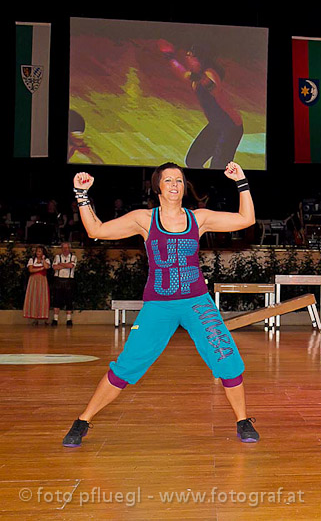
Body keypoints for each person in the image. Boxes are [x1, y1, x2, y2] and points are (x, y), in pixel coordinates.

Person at [61, 162, 259, 447]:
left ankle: (242, 420)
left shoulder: (199, 218)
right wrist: (82, 195)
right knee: (127, 366)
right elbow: (97, 229)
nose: (175, 185)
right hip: (159, 305)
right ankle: (83, 420)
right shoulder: (144, 219)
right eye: (168, 180)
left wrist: (242, 182)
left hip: (196, 302)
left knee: (227, 359)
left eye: (179, 180)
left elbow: (246, 219)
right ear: (158, 187)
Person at [158, 41, 243, 170]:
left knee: (218, 168)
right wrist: (170, 57)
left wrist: (202, 80)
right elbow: (184, 74)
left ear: (200, 59)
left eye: (190, 56)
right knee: (193, 160)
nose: (187, 59)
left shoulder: (210, 74)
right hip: (216, 126)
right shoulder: (197, 78)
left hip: (230, 128)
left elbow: (212, 86)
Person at [51, 242, 77, 327]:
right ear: (61, 249)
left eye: (67, 248)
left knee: (69, 300)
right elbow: (54, 267)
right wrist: (66, 265)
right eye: (63, 248)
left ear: (69, 249)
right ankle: (55, 319)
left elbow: (71, 266)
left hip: (69, 280)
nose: (65, 250)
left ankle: (69, 320)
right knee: (56, 300)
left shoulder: (73, 257)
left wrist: (60, 264)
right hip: (58, 280)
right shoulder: (57, 257)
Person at [23, 245, 50, 324]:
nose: (37, 253)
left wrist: (43, 260)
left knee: (42, 297)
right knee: (34, 297)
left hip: (42, 280)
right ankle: (35, 318)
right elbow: (31, 270)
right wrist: (41, 269)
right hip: (33, 280)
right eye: (37, 251)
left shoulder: (46, 260)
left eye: (39, 251)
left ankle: (44, 317)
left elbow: (47, 266)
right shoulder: (32, 260)